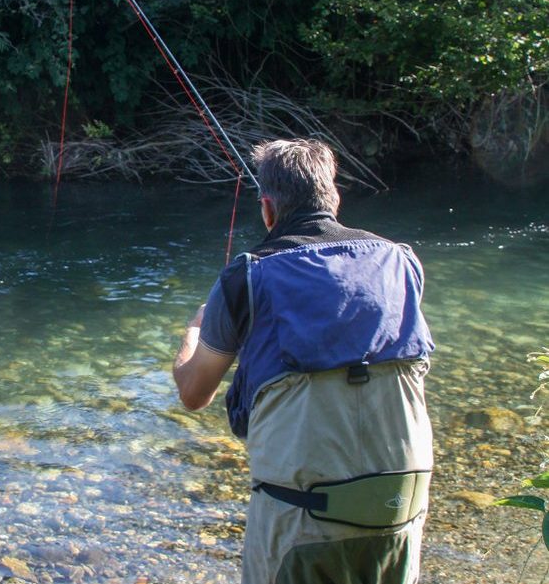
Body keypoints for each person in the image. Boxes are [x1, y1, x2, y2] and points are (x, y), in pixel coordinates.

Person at [173, 139, 434, 584]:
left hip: (302, 517)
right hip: (404, 505)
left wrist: (195, 330)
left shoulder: (246, 278)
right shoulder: (403, 263)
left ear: (268, 210)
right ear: (334, 199)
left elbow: (194, 393)